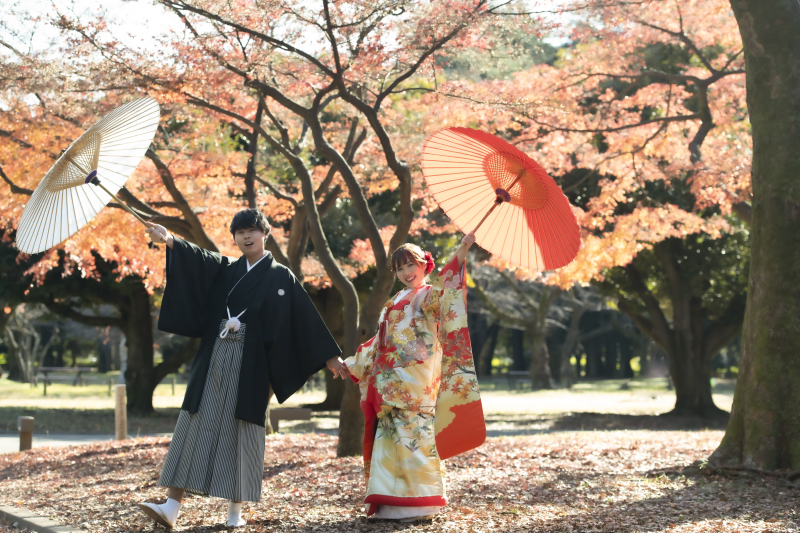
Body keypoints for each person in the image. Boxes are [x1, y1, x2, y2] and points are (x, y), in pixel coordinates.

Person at [138, 209, 349, 529]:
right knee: (194, 422)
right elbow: (197, 258)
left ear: (266, 233)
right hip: (214, 356)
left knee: (243, 430)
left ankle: (234, 512)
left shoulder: (281, 277)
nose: (246, 236)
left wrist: (330, 357)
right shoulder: (225, 269)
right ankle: (171, 505)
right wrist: (168, 240)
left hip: (252, 364)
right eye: (239, 232)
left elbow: (304, 318)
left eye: (252, 230)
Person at [344, 232, 486, 521]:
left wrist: (462, 248)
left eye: (411, 265)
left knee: (415, 438)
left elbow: (450, 284)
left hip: (415, 379)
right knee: (389, 441)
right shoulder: (394, 299)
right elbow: (379, 341)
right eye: (400, 268)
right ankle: (390, 504)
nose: (407, 273)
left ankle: (423, 503)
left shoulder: (431, 295)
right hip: (387, 380)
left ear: (425, 264)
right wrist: (351, 363)